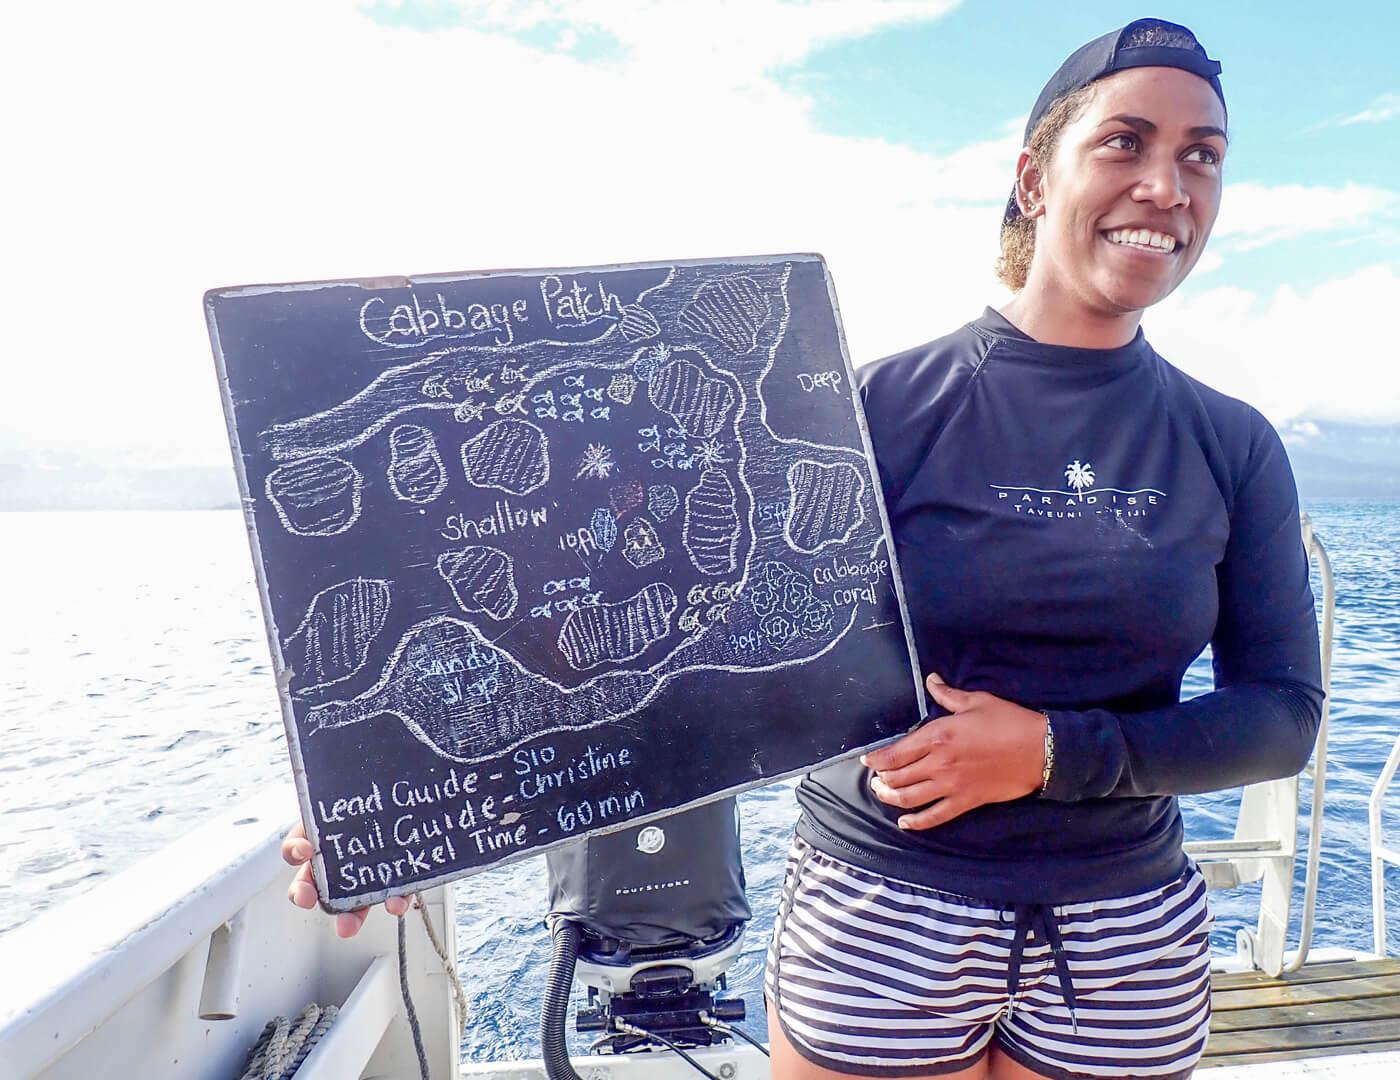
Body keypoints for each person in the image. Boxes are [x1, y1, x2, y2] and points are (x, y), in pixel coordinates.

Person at [763, 17, 1323, 1080]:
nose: (1166, 184)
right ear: (1031, 179)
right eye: (1124, 143)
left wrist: (1054, 753)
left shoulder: (1230, 440)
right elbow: (702, 656)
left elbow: (1281, 717)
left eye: (1199, 155)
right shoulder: (872, 408)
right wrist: (382, 809)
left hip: (1122, 932)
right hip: (882, 912)